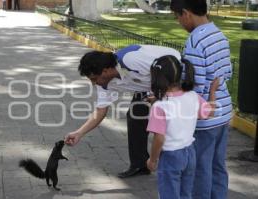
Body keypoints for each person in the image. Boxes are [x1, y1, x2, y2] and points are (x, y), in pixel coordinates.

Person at [64, 45, 181, 178]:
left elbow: (171, 65)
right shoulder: (104, 84)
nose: (94, 83)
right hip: (148, 87)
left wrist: (161, 95)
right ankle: (140, 165)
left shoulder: (131, 59)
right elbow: (100, 111)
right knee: (135, 116)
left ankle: (176, 163)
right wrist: (79, 133)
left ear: (106, 70)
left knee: (167, 123)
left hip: (173, 76)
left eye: (94, 79)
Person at [170, 0, 233, 198]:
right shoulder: (219, 34)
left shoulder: (195, 42)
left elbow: (193, 86)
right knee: (217, 165)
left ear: (186, 13)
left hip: (204, 118)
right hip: (223, 111)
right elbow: (227, 73)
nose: (179, 22)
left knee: (200, 169)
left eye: (177, 16)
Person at [146, 55, 214, 199]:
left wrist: (152, 159)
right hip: (190, 153)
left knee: (169, 194)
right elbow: (208, 113)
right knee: (185, 194)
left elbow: (159, 138)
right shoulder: (192, 96)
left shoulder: (160, 107)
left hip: (170, 156)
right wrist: (212, 93)